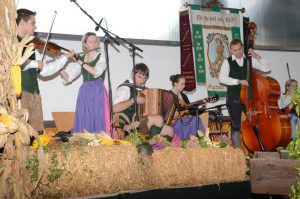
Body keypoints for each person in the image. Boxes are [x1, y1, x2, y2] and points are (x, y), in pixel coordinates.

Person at [16, 8, 75, 133]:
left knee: (37, 133)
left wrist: (64, 58)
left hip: (35, 93)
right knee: (21, 133)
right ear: (22, 22)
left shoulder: (31, 45)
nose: (35, 27)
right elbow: (16, 62)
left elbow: (45, 70)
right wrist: (34, 63)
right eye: (33, 23)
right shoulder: (11, 41)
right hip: (20, 93)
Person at [219, 39, 271, 148]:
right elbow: (222, 78)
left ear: (242, 47)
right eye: (235, 50)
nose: (238, 52)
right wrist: (238, 81)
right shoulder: (227, 61)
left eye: (239, 49)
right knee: (236, 124)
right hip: (235, 96)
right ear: (230, 50)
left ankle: (259, 147)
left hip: (250, 97)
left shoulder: (249, 59)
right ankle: (237, 151)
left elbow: (267, 69)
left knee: (256, 121)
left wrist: (256, 55)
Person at [60, 32, 110, 134]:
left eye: (95, 41)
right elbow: (68, 77)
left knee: (97, 117)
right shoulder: (82, 59)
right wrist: (60, 67)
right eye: (91, 41)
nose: (94, 43)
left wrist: (80, 62)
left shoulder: (102, 57)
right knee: (84, 118)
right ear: (85, 45)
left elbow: (96, 72)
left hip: (98, 91)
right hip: (85, 92)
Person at [112, 63, 174, 141]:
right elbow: (114, 109)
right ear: (132, 74)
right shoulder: (125, 88)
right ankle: (150, 146)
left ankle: (158, 150)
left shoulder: (146, 91)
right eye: (139, 77)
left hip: (142, 121)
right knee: (158, 119)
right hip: (128, 123)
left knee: (169, 130)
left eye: (144, 78)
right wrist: (133, 100)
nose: (141, 80)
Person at [169, 74, 206, 140]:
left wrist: (202, 108)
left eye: (184, 84)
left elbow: (192, 111)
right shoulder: (168, 95)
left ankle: (200, 141)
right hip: (174, 123)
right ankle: (192, 142)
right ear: (175, 84)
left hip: (185, 121)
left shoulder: (183, 96)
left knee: (196, 119)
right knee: (192, 121)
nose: (184, 86)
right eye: (182, 84)